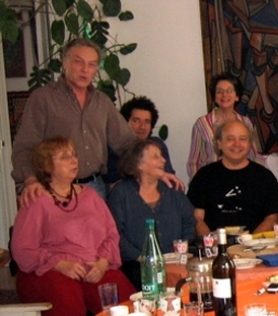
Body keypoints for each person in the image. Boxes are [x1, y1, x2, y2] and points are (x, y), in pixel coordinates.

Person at [10, 137, 135, 316]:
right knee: (67, 299)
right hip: (50, 270)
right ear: (47, 166)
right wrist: (60, 264)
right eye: (64, 157)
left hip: (91, 267)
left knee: (125, 300)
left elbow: (111, 235)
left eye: (74, 155)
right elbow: (22, 248)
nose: (74, 160)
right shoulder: (36, 200)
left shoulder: (90, 196)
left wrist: (102, 263)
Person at [11, 38, 137, 201]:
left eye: (92, 64)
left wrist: (154, 167)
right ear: (65, 63)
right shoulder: (43, 98)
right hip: (53, 189)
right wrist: (30, 180)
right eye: (79, 62)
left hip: (94, 188)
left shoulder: (102, 102)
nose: (85, 69)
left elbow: (127, 143)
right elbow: (24, 147)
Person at [107, 140, 196, 290]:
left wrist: (182, 249)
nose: (163, 160)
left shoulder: (172, 189)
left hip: (177, 261)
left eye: (161, 155)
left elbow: (189, 222)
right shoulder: (121, 193)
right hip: (136, 266)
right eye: (156, 156)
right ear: (139, 164)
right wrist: (141, 257)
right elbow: (115, 234)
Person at [188, 120, 278, 235]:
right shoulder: (204, 176)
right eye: (230, 139)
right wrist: (210, 242)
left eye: (242, 139)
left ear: (249, 144)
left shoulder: (264, 177)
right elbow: (196, 217)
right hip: (215, 248)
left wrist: (250, 241)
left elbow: (272, 218)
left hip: (255, 246)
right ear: (219, 143)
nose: (236, 144)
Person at [187, 73, 261, 179]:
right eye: (220, 92)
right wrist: (199, 185)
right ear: (214, 97)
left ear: (237, 96)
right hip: (211, 182)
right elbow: (194, 163)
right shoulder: (202, 124)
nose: (224, 95)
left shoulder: (245, 122)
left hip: (242, 180)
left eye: (229, 91)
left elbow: (253, 155)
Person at [103, 96, 175, 187]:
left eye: (147, 122)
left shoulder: (157, 145)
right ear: (124, 123)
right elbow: (110, 183)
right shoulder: (114, 149)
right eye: (136, 121)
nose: (142, 127)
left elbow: (169, 177)